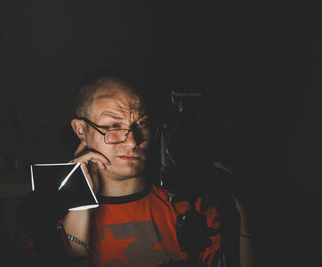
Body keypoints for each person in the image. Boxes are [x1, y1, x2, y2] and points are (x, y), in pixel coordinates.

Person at [21, 70, 254, 267]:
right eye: (113, 125)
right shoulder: (49, 217)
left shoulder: (189, 205)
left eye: (140, 123)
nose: (132, 142)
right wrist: (79, 204)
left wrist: (240, 204)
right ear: (81, 130)